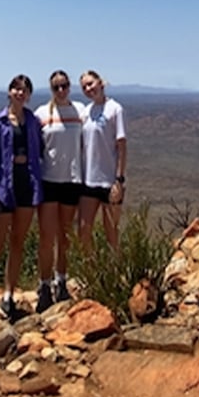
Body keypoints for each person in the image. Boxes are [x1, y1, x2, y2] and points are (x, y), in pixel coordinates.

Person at [0, 74, 43, 319]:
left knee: (17, 244)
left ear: (29, 95)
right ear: (9, 92)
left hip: (27, 185)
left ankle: (8, 294)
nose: (20, 93)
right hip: (3, 188)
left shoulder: (33, 121)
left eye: (24, 90)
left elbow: (40, 150)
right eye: (16, 88)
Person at [34, 70, 84, 312]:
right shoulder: (41, 114)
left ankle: (61, 281)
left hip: (72, 181)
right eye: (56, 87)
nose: (61, 90)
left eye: (64, 85)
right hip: (48, 181)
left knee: (64, 237)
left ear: (70, 86)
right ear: (51, 89)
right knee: (46, 237)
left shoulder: (80, 111)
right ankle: (43, 286)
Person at [79, 70, 127, 251]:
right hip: (89, 181)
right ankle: (91, 274)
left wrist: (119, 180)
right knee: (83, 230)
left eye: (90, 83)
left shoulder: (115, 109)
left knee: (111, 233)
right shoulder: (86, 112)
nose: (88, 89)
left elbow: (121, 146)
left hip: (109, 181)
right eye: (84, 87)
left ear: (100, 83)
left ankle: (114, 274)